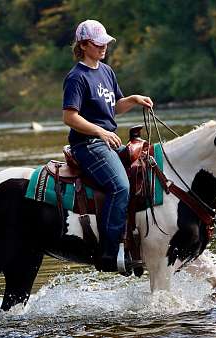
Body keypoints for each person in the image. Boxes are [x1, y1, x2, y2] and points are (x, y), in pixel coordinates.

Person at [62, 20, 153, 273]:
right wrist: (101, 132)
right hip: (88, 144)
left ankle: (139, 241)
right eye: (98, 43)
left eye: (105, 43)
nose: (103, 47)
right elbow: (70, 116)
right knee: (120, 186)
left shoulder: (106, 71)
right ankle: (110, 253)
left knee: (146, 171)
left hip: (107, 141)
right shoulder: (76, 77)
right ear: (83, 45)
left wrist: (133, 100)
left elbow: (112, 108)